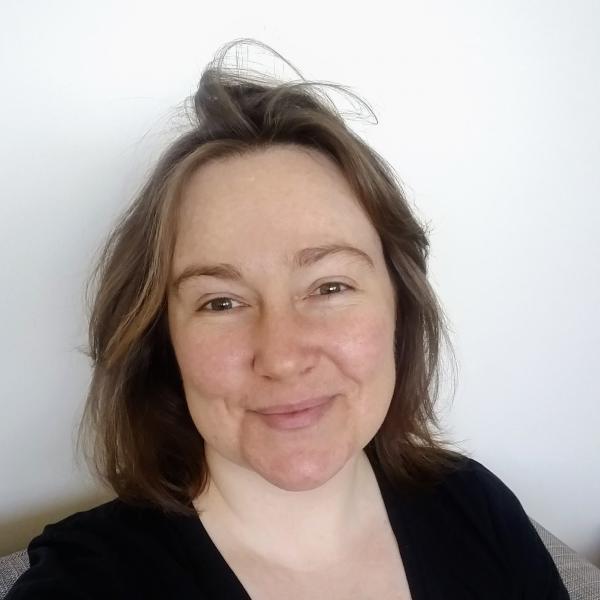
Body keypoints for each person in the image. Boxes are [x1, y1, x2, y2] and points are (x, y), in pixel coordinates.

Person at [6, 39, 568, 599]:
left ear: (401, 310)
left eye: (329, 287)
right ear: (163, 340)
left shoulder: (476, 507)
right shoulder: (85, 584)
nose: (281, 356)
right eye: (221, 302)